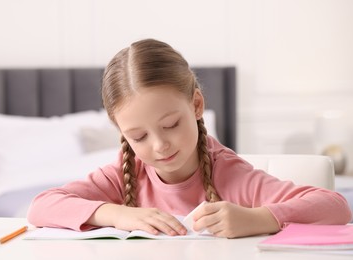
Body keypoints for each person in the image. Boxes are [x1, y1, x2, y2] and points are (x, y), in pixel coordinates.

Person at [27, 39, 352, 238]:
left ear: (196, 105)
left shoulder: (231, 174)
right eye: (138, 136)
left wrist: (257, 218)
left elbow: (336, 207)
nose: (159, 145)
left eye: (170, 125)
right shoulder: (124, 175)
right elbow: (41, 207)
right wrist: (119, 214)